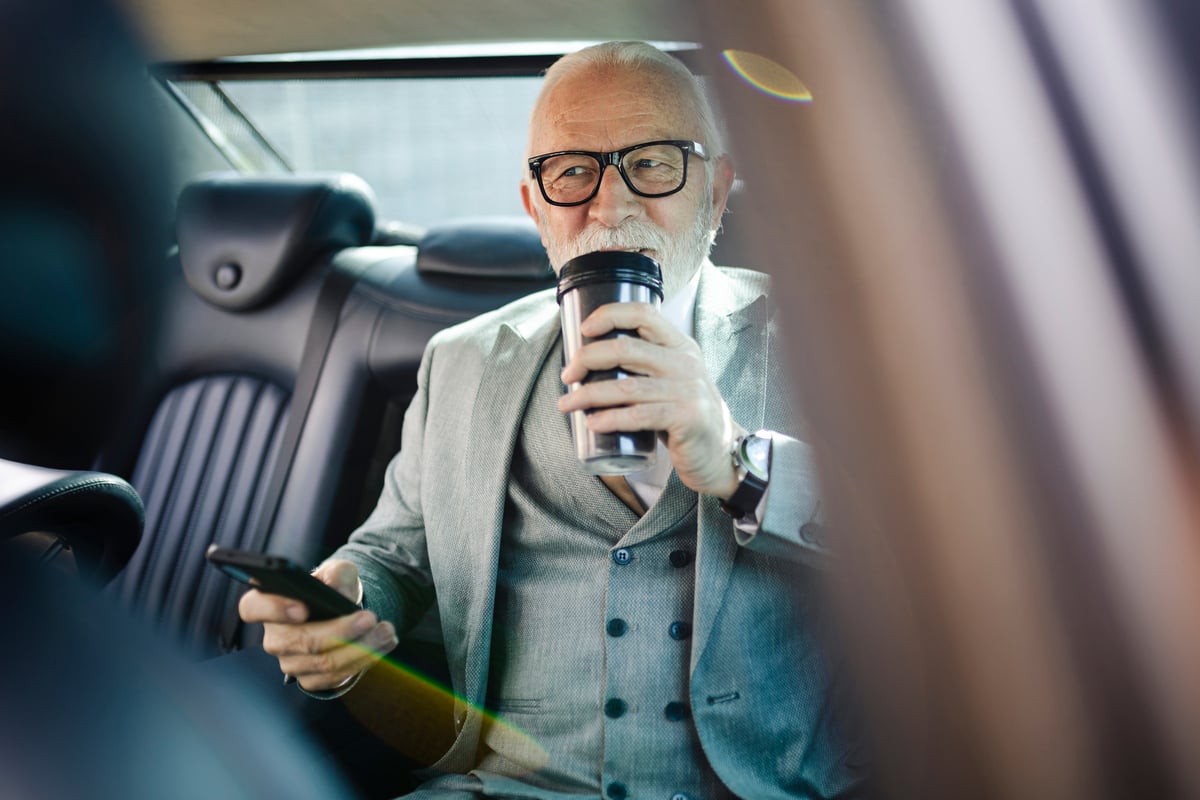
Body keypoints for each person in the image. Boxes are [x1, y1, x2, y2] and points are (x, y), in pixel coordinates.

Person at [240, 41, 860, 799]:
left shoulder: (830, 342)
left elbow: (925, 563)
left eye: (653, 163)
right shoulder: (462, 361)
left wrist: (739, 462)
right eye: (571, 171)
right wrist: (344, 606)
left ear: (717, 189)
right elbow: (393, 556)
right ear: (536, 207)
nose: (611, 204)